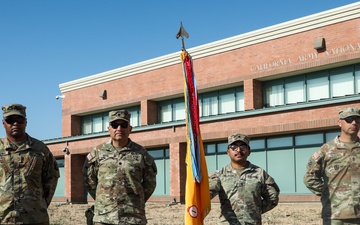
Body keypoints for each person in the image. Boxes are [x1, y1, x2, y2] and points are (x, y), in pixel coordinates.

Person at [83, 109, 157, 225]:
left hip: (133, 217)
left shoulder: (141, 153)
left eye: (123, 125)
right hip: (104, 217)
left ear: (130, 129)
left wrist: (135, 200)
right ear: (109, 129)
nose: (119, 129)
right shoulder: (98, 152)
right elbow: (90, 181)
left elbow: (150, 183)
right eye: (114, 125)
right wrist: (105, 199)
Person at [0, 103, 60, 225]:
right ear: (3, 123)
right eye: (10, 120)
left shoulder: (41, 150)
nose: (15, 124)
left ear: (26, 122)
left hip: (34, 218)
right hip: (3, 217)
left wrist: (38, 204)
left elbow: (51, 179)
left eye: (20, 120)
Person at [304, 106, 360, 225]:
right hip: (335, 216)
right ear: (339, 122)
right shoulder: (326, 150)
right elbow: (310, 178)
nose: (354, 122)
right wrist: (328, 193)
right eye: (349, 119)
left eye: (357, 119)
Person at [209, 133, 280, 225]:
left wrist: (253, 211)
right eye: (234, 147)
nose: (238, 150)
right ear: (228, 152)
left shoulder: (260, 173)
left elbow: (272, 198)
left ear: (249, 152)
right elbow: (206, 195)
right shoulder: (219, 175)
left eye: (243, 147)